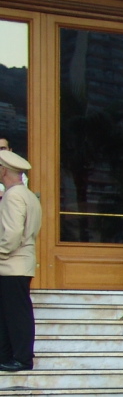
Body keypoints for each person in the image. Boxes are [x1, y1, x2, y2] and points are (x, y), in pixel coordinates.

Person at [0, 149, 41, 371]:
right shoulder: (28, 195)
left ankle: (22, 359)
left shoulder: (13, 195)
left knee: (16, 314)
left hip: (11, 264)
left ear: (4, 170)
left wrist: (1, 250)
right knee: (10, 313)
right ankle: (7, 356)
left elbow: (12, 234)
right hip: (19, 264)